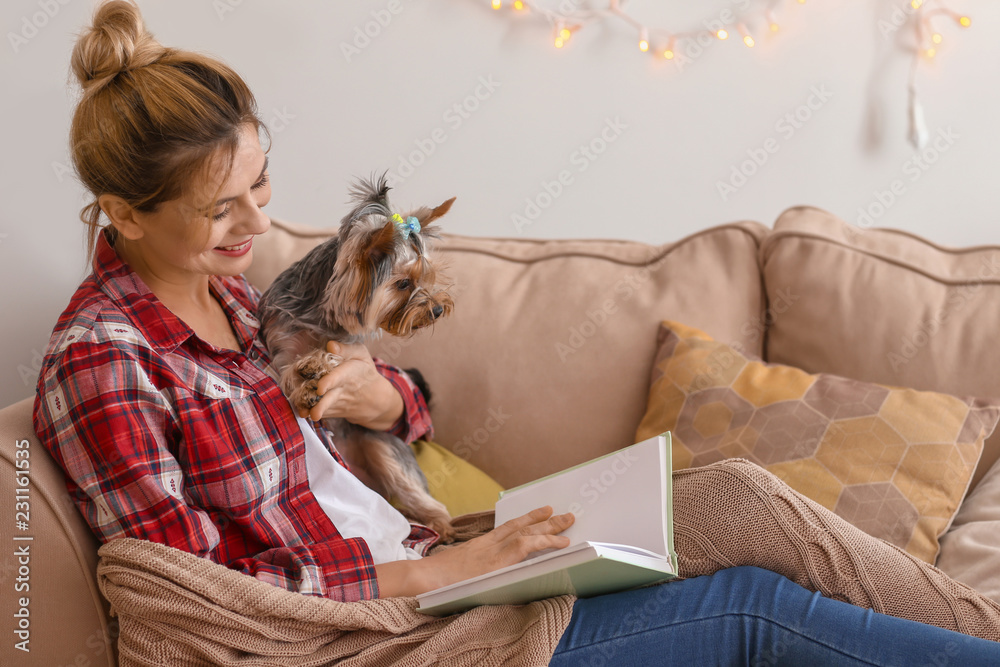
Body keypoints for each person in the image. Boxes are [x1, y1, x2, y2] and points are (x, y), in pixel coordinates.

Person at [33, 2, 1000, 664]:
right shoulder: (104, 361)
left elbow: (400, 414)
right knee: (749, 607)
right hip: (386, 634)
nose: (253, 225)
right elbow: (202, 599)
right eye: (219, 210)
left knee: (741, 498)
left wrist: (383, 397)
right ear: (123, 212)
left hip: (444, 564)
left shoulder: (237, 302)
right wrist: (447, 570)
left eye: (261, 186)